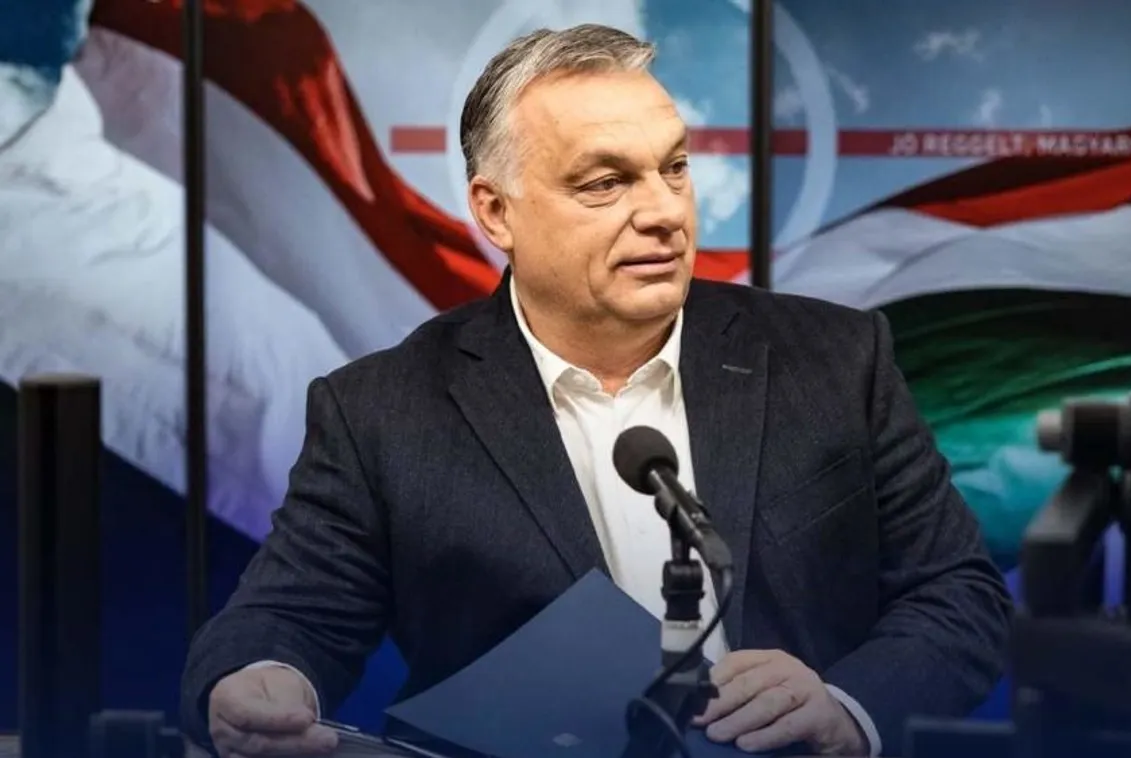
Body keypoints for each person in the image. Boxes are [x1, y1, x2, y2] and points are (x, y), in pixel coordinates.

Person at [183, 24, 1013, 757]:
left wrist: (844, 709)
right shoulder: (381, 410)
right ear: (495, 212)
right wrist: (256, 681)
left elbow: (956, 594)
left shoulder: (835, 358)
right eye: (604, 183)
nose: (663, 212)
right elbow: (290, 617)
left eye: (674, 168)